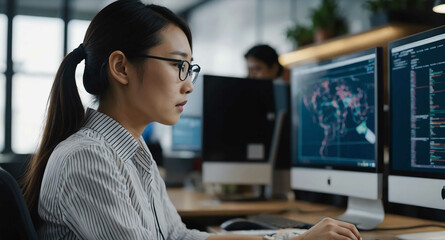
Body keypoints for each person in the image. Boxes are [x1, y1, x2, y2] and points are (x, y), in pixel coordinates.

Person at [21, 1, 361, 239]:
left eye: (190, 67)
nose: (189, 83)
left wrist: (291, 239)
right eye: (177, 64)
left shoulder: (133, 151)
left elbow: (178, 237)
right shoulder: (87, 158)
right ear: (121, 67)